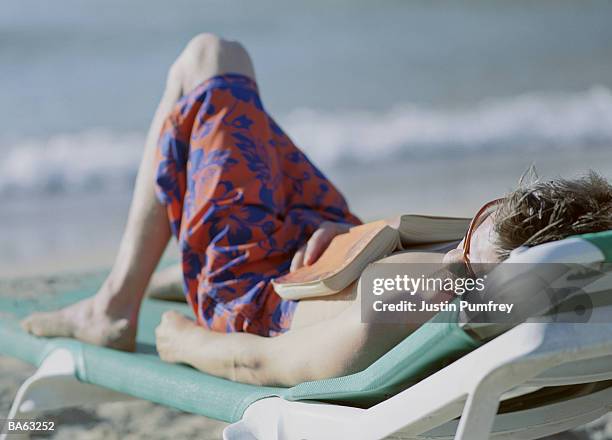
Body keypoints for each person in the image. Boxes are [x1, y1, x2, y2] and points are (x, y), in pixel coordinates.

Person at [22, 34, 612, 387]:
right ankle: (175, 272)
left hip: (253, 285)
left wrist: (181, 343)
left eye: (470, 243)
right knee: (232, 110)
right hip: (327, 245)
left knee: (210, 60)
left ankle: (114, 306)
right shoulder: (553, 283)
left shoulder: (418, 300)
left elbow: (266, 363)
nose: (466, 236)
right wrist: (363, 243)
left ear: (489, 272)